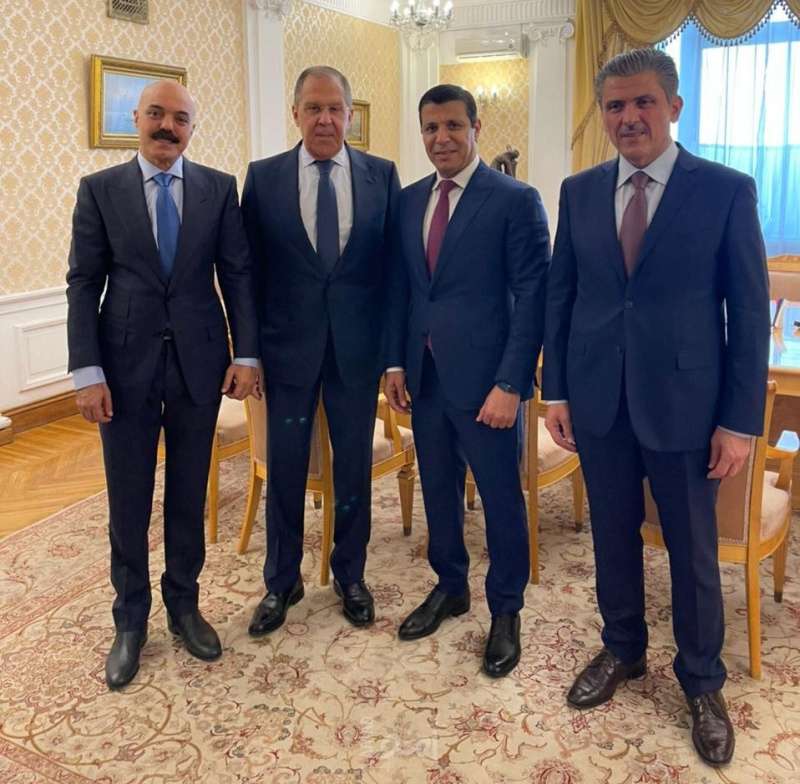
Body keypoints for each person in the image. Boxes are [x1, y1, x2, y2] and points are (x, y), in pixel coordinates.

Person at [542, 48, 770, 766]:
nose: (629, 117)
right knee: (611, 537)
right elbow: (562, 295)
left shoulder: (725, 190)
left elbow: (748, 311)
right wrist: (556, 391)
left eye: (643, 102)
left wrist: (739, 421)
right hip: (599, 402)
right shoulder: (579, 191)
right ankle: (623, 648)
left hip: (687, 407)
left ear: (674, 106)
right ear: (603, 114)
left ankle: (702, 681)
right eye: (615, 105)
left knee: (693, 552)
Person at [66, 80, 260, 690]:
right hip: (123, 370)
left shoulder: (217, 189)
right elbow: (83, 283)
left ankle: (184, 604)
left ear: (192, 129)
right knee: (128, 498)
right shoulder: (100, 190)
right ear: (137, 118)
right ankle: (130, 620)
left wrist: (245, 353)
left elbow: (237, 274)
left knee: (187, 491)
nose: (167, 127)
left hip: (200, 363)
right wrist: (87, 371)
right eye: (156, 114)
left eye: (180, 118)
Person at [384, 84, 550, 678]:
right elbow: (402, 289)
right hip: (425, 380)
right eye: (431, 128)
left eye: (453, 125)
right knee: (438, 490)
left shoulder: (515, 200)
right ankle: (450, 586)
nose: (442, 138)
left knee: (502, 500)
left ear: (475, 127)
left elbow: (533, 298)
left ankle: (506, 609)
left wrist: (512, 384)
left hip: (488, 388)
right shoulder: (409, 201)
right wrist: (395, 364)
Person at [242, 66, 400, 635]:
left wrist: (393, 356)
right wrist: (249, 353)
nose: (325, 119)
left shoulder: (382, 176)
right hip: (287, 354)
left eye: (335, 109)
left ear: (350, 115)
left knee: (353, 467)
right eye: (313, 108)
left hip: (356, 353)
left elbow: (394, 273)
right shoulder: (263, 179)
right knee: (284, 469)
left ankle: (351, 575)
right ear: (296, 114)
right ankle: (281, 581)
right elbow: (247, 273)